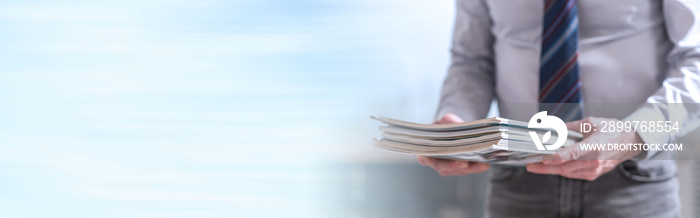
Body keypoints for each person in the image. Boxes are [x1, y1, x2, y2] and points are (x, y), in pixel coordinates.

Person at [417, 0, 700, 217]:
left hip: (634, 178)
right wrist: (459, 120)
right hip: (517, 179)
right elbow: (473, 60)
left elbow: (695, 59)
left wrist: (635, 133)